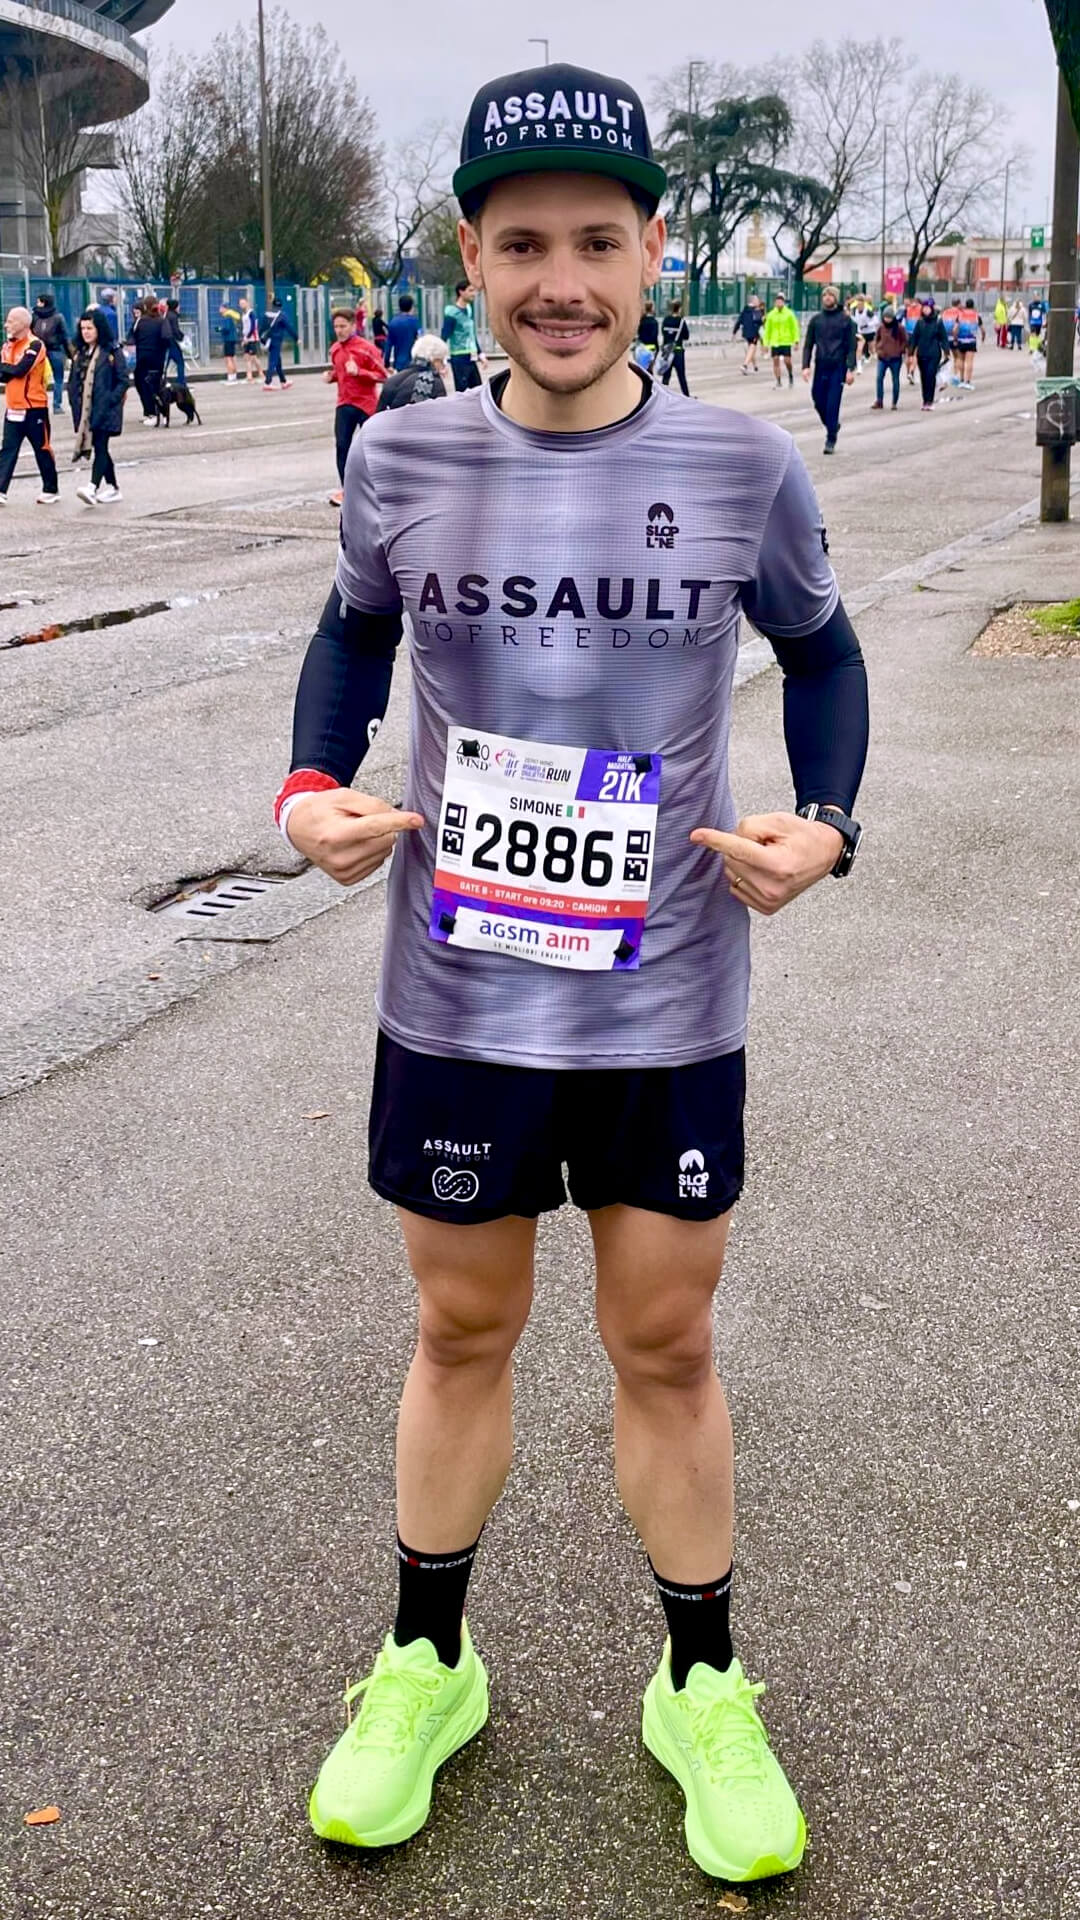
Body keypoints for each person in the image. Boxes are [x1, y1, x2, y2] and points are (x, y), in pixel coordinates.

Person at [279, 55, 868, 1888]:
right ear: (469, 258)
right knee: (461, 1328)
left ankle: (701, 1688)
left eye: (596, 242)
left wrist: (826, 823)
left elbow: (826, 654)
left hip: (666, 999)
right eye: (521, 243)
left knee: (665, 1342)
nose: (561, 281)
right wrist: (308, 786)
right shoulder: (400, 456)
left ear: (652, 252)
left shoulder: (739, 464)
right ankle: (426, 1666)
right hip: (457, 994)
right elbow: (349, 635)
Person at [324, 308, 387, 506]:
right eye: (336, 327)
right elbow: (340, 372)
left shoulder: (367, 349)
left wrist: (360, 372)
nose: (339, 330)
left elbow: (383, 375)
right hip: (344, 403)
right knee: (342, 447)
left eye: (343, 326)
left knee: (371, 448)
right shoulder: (335, 349)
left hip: (366, 405)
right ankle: (347, 490)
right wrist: (332, 377)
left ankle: (377, 488)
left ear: (353, 326)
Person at [68, 306, 130, 506]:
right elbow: (74, 381)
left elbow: (123, 380)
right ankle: (113, 487)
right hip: (86, 409)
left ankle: (92, 487)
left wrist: (111, 399)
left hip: (106, 408)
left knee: (101, 445)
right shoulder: (80, 353)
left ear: (99, 329)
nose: (86, 332)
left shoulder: (112, 351)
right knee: (100, 447)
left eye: (90, 328)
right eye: (83, 328)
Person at [0, 305, 60, 505]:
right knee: (8, 450)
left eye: (11, 321)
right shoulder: (7, 346)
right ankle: (1, 490)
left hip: (34, 408)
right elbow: (5, 375)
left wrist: (7, 369)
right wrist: (8, 370)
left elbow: (20, 370)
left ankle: (51, 489)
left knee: (42, 448)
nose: (6, 325)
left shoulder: (35, 345)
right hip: (13, 407)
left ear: (23, 324)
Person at [800, 285, 856, 453]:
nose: (827, 297)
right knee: (818, 399)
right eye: (825, 295)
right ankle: (832, 425)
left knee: (832, 403)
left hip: (837, 367)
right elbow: (808, 345)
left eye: (831, 295)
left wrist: (850, 368)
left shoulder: (846, 321)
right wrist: (805, 366)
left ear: (836, 298)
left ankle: (831, 439)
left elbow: (851, 347)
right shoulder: (816, 320)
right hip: (821, 365)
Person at [376, 332, 450, 410]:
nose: (443, 366)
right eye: (442, 361)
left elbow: (380, 411)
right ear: (434, 360)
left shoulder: (392, 380)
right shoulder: (433, 383)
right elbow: (442, 413)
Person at [129, 294, 169, 423]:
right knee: (157, 385)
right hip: (158, 359)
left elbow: (132, 336)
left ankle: (150, 412)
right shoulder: (162, 321)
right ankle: (160, 412)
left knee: (142, 384)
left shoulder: (140, 321)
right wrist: (162, 349)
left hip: (142, 358)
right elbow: (167, 337)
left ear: (145, 307)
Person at [31, 292, 72, 415]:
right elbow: (65, 336)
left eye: (38, 301)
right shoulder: (58, 317)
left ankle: (37, 403)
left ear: (43, 302)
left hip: (38, 350)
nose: (37, 304)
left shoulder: (34, 316)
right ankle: (56, 405)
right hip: (55, 349)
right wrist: (70, 354)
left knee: (37, 378)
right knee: (58, 378)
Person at [441, 280, 486, 390]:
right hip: (459, 356)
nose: (473, 294)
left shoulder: (469, 310)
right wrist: (442, 359)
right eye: (470, 291)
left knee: (477, 389)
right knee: (463, 390)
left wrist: (480, 353)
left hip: (471, 355)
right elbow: (444, 336)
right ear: (461, 292)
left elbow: (471, 334)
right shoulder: (452, 313)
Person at [909, 298, 950, 410]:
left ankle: (930, 401)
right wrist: (911, 352)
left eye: (928, 308)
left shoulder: (938, 322)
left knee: (931, 376)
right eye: (924, 308)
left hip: (934, 353)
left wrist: (946, 351)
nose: (926, 310)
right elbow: (914, 338)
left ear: (932, 309)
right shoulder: (920, 322)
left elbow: (943, 338)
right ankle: (925, 400)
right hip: (922, 353)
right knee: (924, 377)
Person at [871, 305, 906, 411]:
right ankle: (879, 400)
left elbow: (905, 340)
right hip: (882, 357)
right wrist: (877, 349)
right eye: (886, 317)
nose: (887, 319)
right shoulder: (881, 327)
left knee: (895, 379)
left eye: (889, 317)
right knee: (879, 378)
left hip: (895, 358)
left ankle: (894, 402)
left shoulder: (899, 328)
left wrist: (900, 350)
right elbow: (877, 339)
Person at [762, 291, 799, 385]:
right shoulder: (771, 315)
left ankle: (790, 373)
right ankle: (778, 380)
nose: (778, 304)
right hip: (775, 341)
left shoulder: (789, 314)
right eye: (777, 302)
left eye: (780, 302)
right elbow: (767, 330)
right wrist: (765, 344)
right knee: (775, 360)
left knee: (787, 361)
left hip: (786, 341)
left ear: (783, 303)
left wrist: (796, 341)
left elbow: (794, 328)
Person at [262, 297, 297, 389]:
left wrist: (261, 339)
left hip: (268, 340)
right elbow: (289, 328)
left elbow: (262, 328)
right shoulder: (281, 315)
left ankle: (283, 381)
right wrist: (296, 338)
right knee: (273, 361)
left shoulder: (266, 315)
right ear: (281, 306)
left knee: (277, 361)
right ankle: (267, 382)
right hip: (277, 340)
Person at [383, 294, 422, 372]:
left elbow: (388, 345)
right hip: (413, 362)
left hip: (399, 364)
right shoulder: (415, 322)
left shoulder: (393, 322)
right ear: (411, 307)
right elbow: (420, 340)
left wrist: (386, 363)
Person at [659, 299, 691, 393]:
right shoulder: (681, 321)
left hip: (667, 352)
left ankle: (663, 395)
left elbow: (664, 334)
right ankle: (686, 396)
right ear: (679, 309)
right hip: (678, 352)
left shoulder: (666, 320)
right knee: (681, 377)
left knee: (666, 377)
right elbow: (686, 336)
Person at [953, 299, 984, 389]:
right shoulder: (976, 315)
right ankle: (968, 381)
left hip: (961, 340)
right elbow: (983, 330)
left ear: (965, 305)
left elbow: (955, 329)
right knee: (969, 361)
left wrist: (955, 339)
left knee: (960, 359)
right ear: (973, 305)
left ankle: (961, 380)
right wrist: (983, 337)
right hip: (971, 341)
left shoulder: (960, 314)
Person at [732, 292, 764, 373]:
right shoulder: (756, 310)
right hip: (753, 331)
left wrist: (734, 332)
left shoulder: (745, 310)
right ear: (753, 301)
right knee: (752, 347)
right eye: (757, 300)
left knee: (751, 348)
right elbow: (759, 321)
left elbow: (739, 321)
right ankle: (745, 365)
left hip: (747, 332)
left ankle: (755, 365)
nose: (758, 302)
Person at [163, 298, 186, 383]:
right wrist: (181, 337)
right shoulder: (173, 316)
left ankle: (162, 381)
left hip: (165, 343)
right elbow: (175, 330)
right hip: (172, 342)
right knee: (180, 362)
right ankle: (181, 382)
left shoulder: (166, 315)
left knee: (165, 364)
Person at [239, 297, 261, 381]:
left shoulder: (251, 313)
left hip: (252, 338)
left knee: (252, 358)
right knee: (247, 357)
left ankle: (254, 374)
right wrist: (244, 337)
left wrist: (248, 337)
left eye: (243, 303)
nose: (242, 305)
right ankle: (254, 374)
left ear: (247, 303)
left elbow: (253, 327)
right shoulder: (243, 314)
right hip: (246, 337)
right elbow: (245, 327)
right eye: (240, 304)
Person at [635, 297, 659, 370]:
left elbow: (638, 334)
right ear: (652, 309)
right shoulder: (654, 322)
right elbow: (654, 336)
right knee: (649, 370)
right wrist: (657, 349)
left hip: (641, 348)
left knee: (641, 370)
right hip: (651, 348)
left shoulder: (641, 321)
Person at [219, 304, 240, 381]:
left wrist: (219, 329)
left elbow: (226, 328)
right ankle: (234, 374)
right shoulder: (231, 316)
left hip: (228, 339)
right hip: (232, 339)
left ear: (225, 308)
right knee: (232, 357)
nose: (219, 309)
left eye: (221, 308)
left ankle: (230, 375)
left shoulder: (227, 317)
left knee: (228, 358)